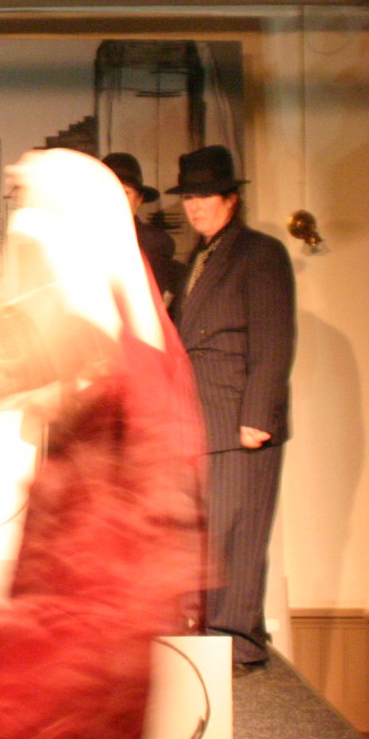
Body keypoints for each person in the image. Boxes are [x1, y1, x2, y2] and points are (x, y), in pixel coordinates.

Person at [0, 147, 205, 739]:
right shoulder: (117, 337)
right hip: (81, 592)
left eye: (35, 255)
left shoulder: (106, 346)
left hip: (98, 608)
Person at [167, 144, 295, 675]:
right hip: (201, 418)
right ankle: (214, 641)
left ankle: (238, 643)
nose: (194, 206)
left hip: (239, 418)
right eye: (188, 197)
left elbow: (273, 338)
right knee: (209, 535)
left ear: (230, 199)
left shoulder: (259, 253)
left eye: (205, 196)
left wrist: (257, 418)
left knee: (238, 536)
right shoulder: (199, 259)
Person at [101, 151, 179, 298]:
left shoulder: (154, 243)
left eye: (125, 192)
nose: (116, 198)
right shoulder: (81, 241)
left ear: (139, 199)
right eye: (109, 190)